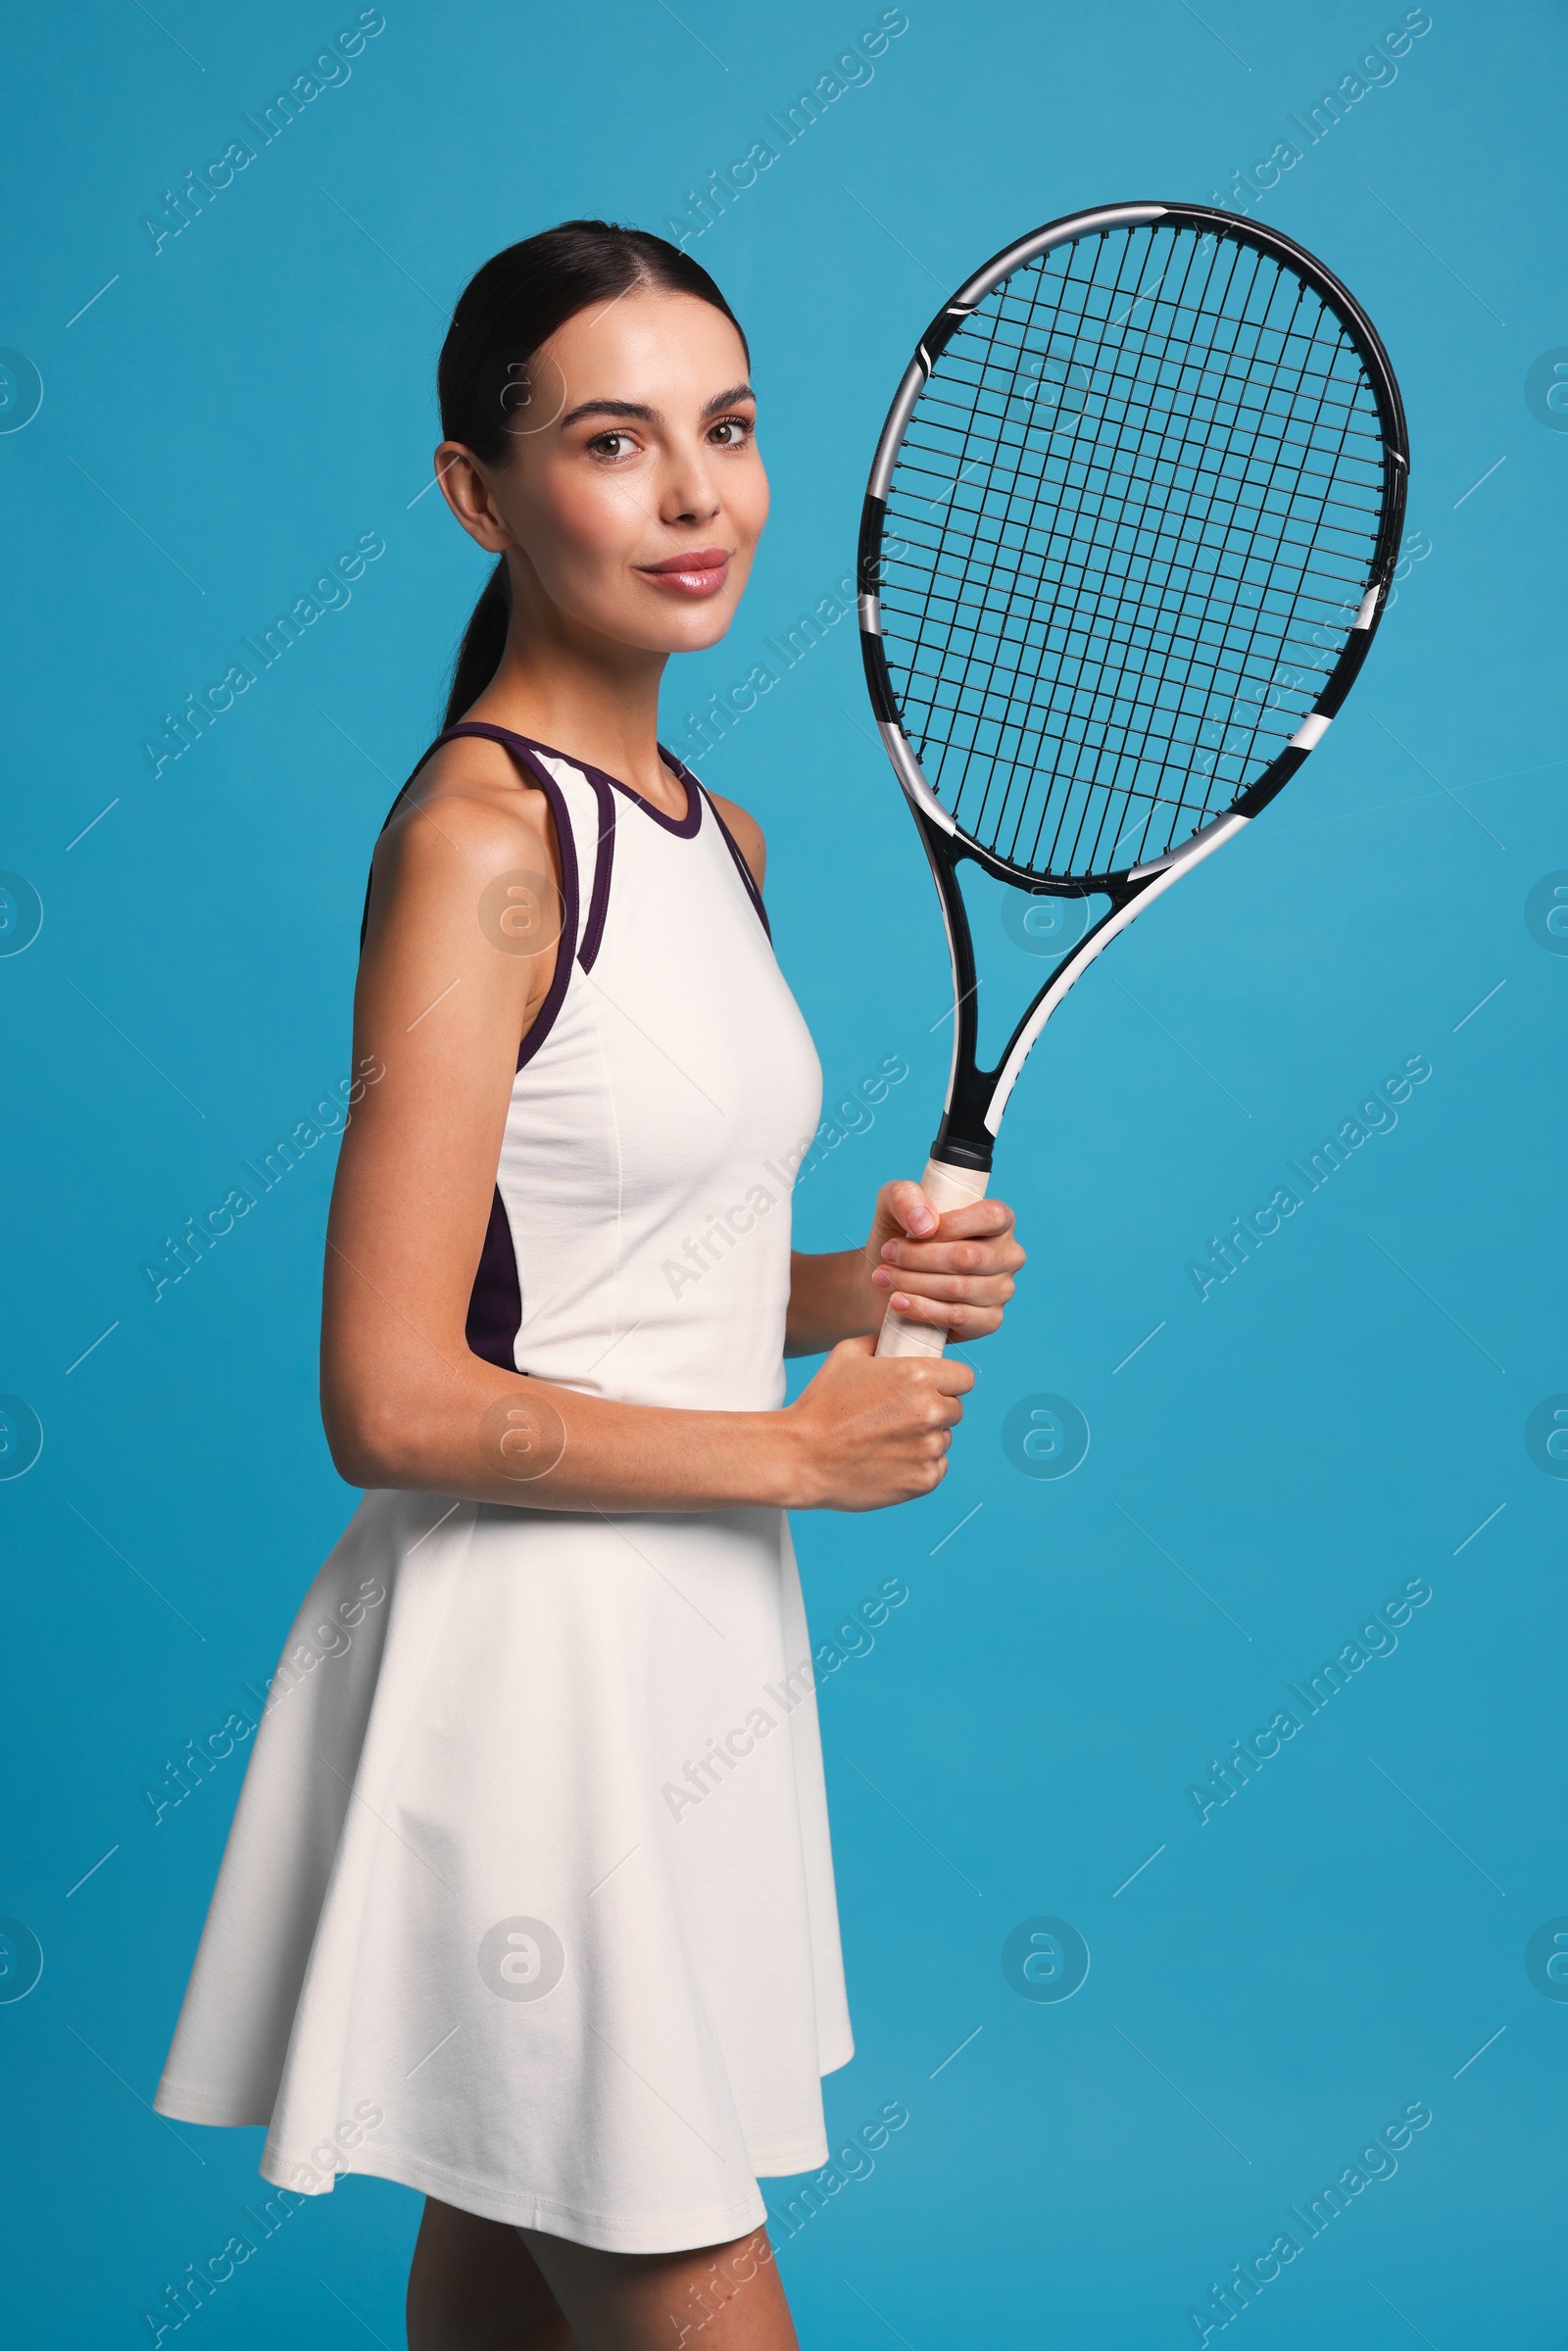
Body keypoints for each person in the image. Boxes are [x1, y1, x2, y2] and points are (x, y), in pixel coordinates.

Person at [152, 220, 1024, 2349]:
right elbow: (391, 1397)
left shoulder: (713, 834)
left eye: (724, 431)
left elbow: (619, 1262)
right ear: (479, 491)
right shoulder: (480, 836)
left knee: (502, 2247)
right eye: (613, 442)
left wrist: (842, 1283)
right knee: (661, 2256)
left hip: (685, 1661)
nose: (695, 495)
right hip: (525, 1679)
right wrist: (793, 1456)